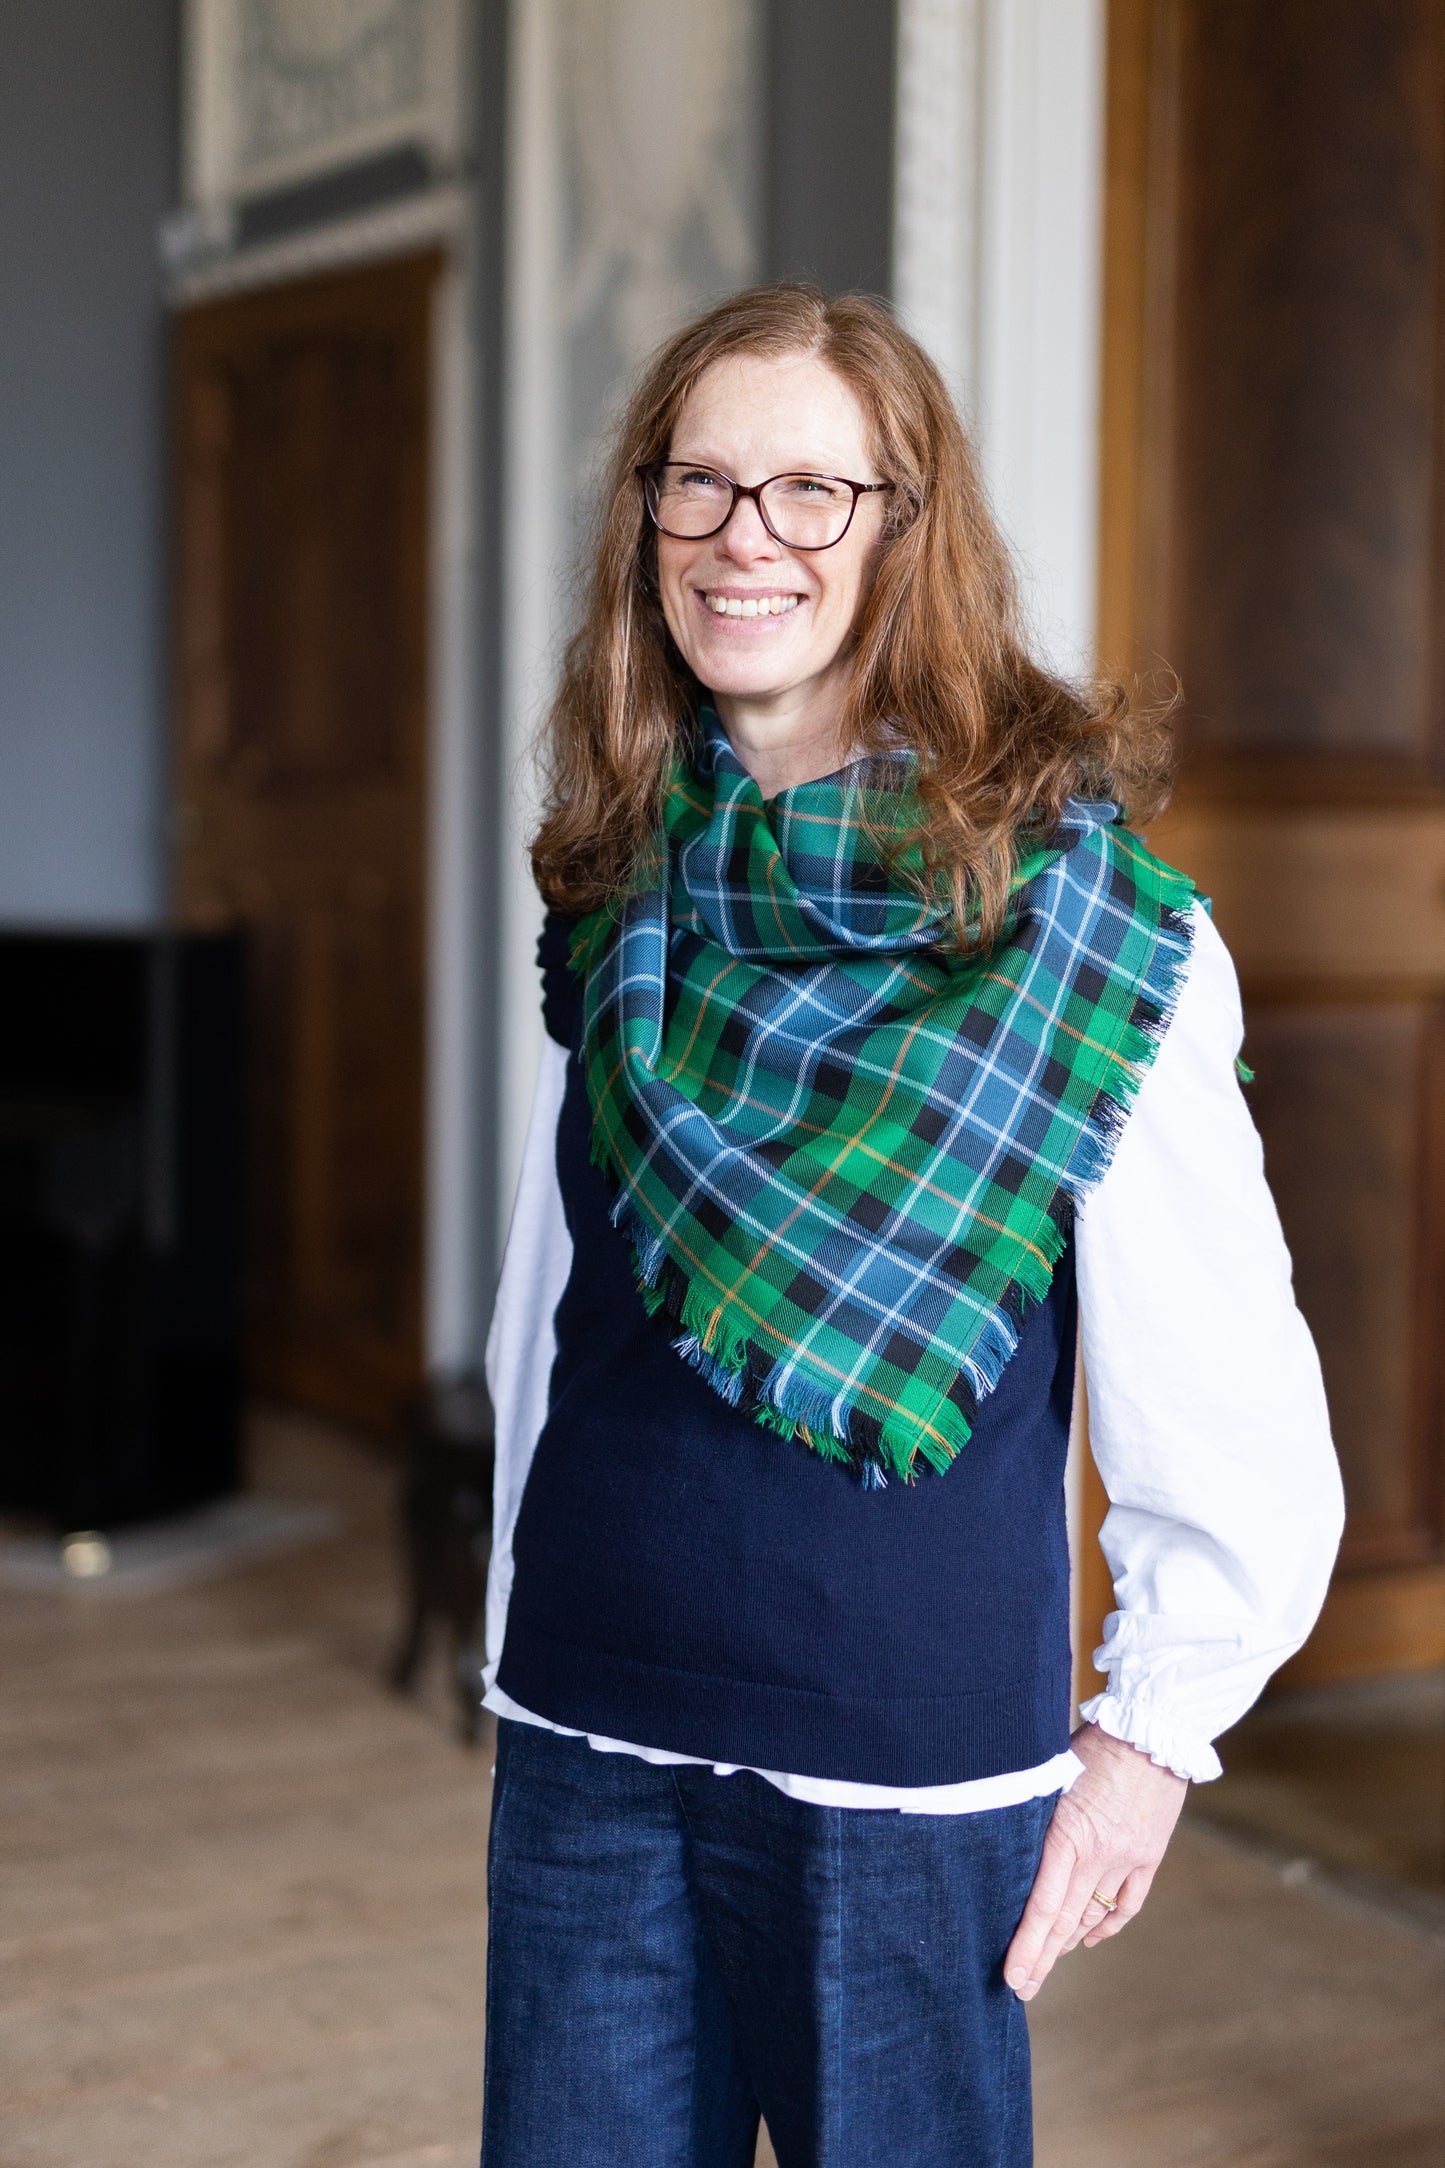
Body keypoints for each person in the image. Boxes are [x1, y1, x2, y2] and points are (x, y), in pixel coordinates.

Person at [478, 283, 1342, 2168]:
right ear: (644, 522)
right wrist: (508, 1634)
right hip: (589, 1719)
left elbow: (1228, 1394)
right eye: (694, 485)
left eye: (810, 491)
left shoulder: (1092, 932)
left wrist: (1140, 1752)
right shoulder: (618, 877)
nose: (741, 542)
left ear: (904, 527)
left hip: (908, 1764)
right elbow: (553, 1313)